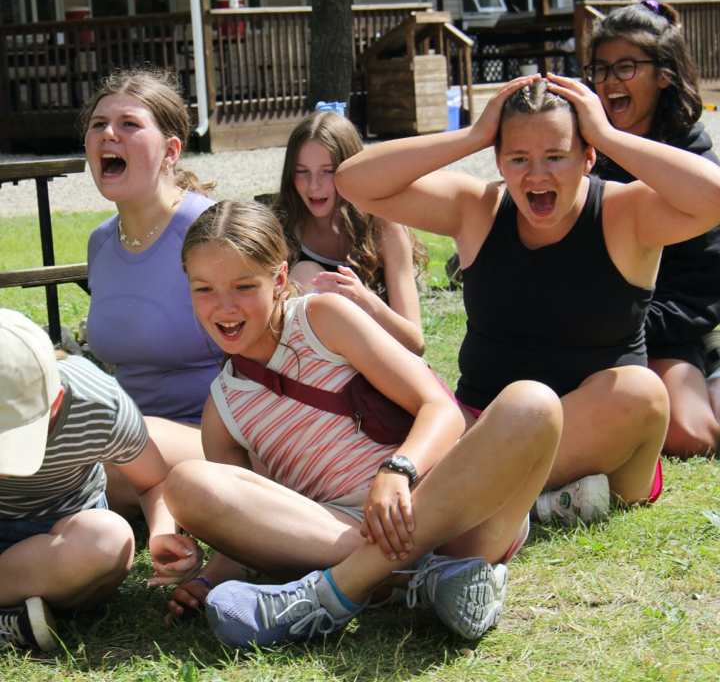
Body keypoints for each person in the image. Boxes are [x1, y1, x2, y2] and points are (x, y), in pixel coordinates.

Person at [160, 199, 563, 648]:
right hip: (347, 532)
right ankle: (425, 578)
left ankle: (340, 591)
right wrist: (206, 579)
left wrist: (399, 469)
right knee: (186, 484)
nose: (224, 307)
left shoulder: (323, 319)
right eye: (204, 290)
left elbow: (441, 407)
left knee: (534, 403)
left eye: (243, 286)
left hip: (455, 513)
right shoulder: (223, 408)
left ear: (278, 279)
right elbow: (264, 531)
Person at [335, 74, 720, 525]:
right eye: (519, 158)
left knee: (641, 392)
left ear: (588, 156)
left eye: (557, 156)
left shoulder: (626, 212)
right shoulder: (476, 208)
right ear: (498, 161)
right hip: (487, 428)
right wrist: (473, 135)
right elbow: (354, 180)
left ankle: (458, 501)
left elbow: (712, 197)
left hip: (604, 437)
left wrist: (610, 134)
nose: (537, 174)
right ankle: (531, 503)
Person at [0, 309, 202, 652]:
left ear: (56, 402)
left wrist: (163, 533)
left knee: (108, 539)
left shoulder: (98, 403)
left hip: (59, 536)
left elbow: (152, 483)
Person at [80, 68, 221, 512]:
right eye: (98, 124)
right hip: (129, 436)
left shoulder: (208, 229)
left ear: (171, 151)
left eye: (129, 125)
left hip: (219, 440)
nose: (108, 135)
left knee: (90, 455)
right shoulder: (101, 242)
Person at [585, 0, 720, 458]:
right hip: (583, 326)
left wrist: (624, 326)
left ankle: (713, 366)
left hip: (665, 325)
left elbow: (699, 292)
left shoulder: (695, 167)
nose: (608, 82)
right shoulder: (579, 151)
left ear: (664, 74)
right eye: (600, 69)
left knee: (691, 436)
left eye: (625, 67)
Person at [272, 111, 426, 354]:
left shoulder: (385, 227)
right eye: (302, 172)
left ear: (352, 169)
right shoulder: (281, 229)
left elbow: (415, 343)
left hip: (384, 362)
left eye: (328, 171)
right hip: (316, 368)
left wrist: (365, 302)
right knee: (304, 272)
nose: (314, 185)